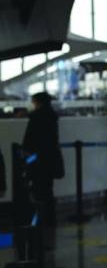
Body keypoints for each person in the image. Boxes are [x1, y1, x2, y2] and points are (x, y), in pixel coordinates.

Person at [22, 91, 65, 243]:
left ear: (37, 102)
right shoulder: (52, 117)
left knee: (38, 191)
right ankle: (49, 220)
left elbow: (29, 141)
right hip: (49, 160)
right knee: (47, 190)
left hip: (38, 161)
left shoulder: (36, 117)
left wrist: (27, 158)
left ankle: (39, 222)